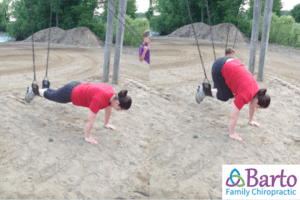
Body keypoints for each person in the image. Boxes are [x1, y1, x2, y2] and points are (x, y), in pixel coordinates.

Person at [25, 81, 132, 144]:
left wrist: (106, 124)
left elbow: (108, 108)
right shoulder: (100, 99)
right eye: (120, 109)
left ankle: (43, 89)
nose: (119, 111)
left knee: (56, 93)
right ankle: (33, 90)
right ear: (117, 102)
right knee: (54, 96)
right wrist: (87, 137)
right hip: (71, 93)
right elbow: (90, 119)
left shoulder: (112, 94)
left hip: (77, 85)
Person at [195, 57, 270, 141]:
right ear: (256, 101)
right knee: (224, 96)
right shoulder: (244, 95)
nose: (257, 108)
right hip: (218, 68)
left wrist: (251, 121)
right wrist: (231, 133)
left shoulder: (257, 91)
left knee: (230, 94)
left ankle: (214, 89)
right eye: (258, 107)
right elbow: (233, 116)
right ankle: (205, 90)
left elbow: (252, 105)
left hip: (228, 61)